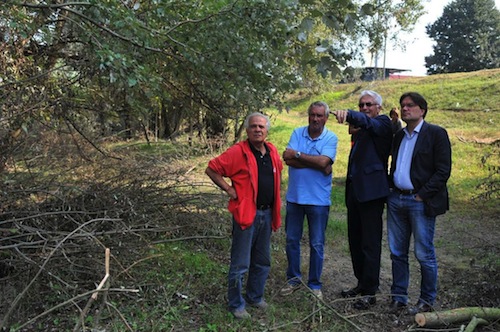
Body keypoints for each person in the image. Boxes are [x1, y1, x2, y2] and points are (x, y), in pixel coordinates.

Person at [205, 112, 283, 319]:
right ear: (247, 130)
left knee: (262, 260)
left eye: (261, 127)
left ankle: (255, 297)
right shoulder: (238, 152)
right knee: (240, 263)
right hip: (246, 213)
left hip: (267, 213)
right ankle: (236, 304)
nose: (258, 130)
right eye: (254, 126)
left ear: (267, 130)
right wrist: (230, 190)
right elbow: (212, 169)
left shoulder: (272, 151)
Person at [387, 92, 452, 315]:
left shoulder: (435, 134)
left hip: (419, 201)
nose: (405, 109)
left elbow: (443, 170)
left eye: (410, 105)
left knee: (424, 253)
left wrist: (422, 195)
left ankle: (426, 300)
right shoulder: (400, 136)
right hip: (396, 199)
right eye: (402, 106)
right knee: (397, 252)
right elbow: (395, 165)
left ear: (422, 110)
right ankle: (399, 298)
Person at [331, 90, 393, 309]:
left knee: (370, 243)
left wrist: (348, 113)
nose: (365, 108)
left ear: (379, 107)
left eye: (369, 104)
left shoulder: (384, 123)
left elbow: (369, 124)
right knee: (355, 241)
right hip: (355, 193)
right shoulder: (361, 129)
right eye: (361, 105)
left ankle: (370, 291)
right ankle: (361, 283)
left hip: (372, 193)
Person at [280, 101, 338, 299]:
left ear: (326, 118)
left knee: (316, 244)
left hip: (319, 201)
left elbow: (323, 161)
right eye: (312, 115)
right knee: (292, 241)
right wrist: (318, 162)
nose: (315, 119)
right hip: (295, 198)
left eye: (320, 116)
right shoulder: (298, 132)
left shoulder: (331, 137)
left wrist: (298, 156)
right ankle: (293, 280)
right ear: (308, 115)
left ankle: (314, 284)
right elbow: (287, 159)